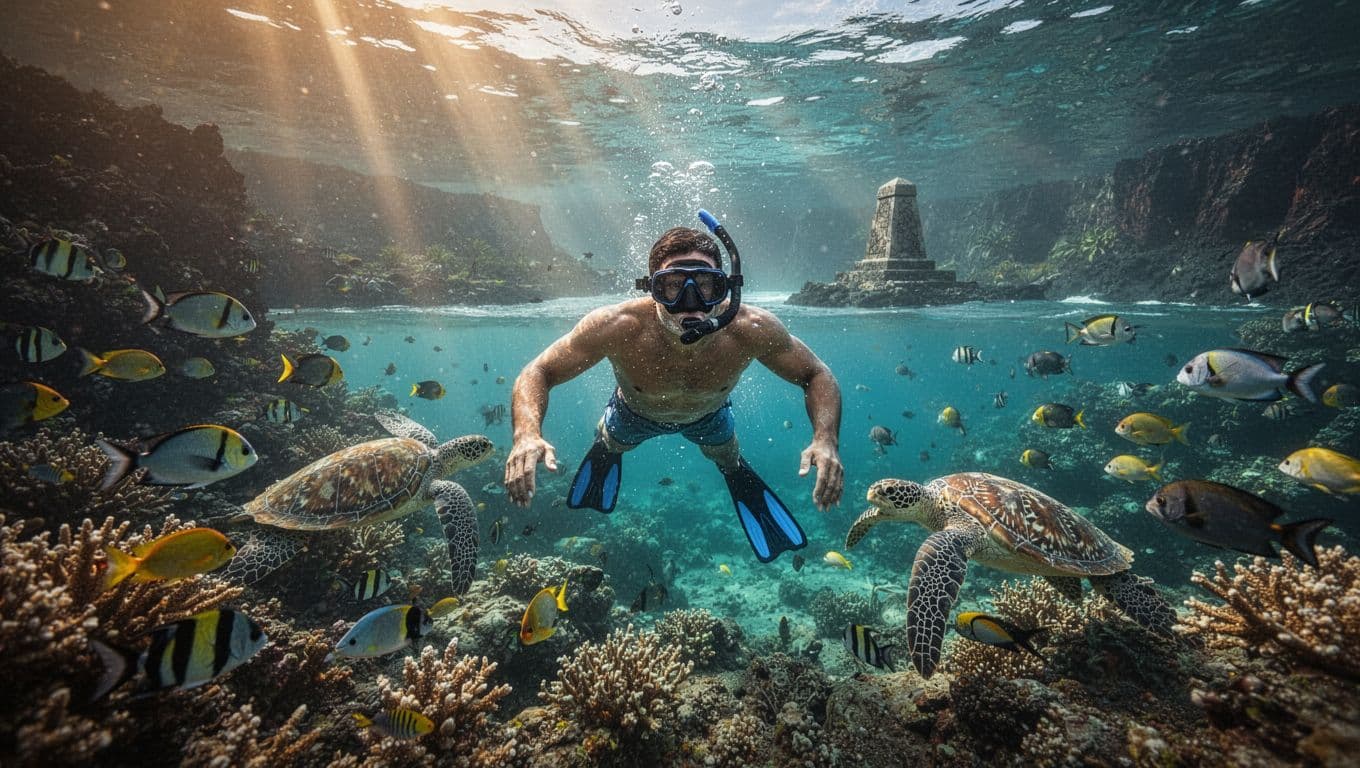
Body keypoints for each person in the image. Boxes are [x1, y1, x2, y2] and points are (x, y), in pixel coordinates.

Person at [504, 214, 843, 563]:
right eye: (673, 284)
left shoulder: (751, 328)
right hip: (633, 412)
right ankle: (608, 448)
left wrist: (825, 439)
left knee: (728, 458)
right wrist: (526, 434)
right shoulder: (618, 325)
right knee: (612, 439)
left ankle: (735, 472)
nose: (691, 300)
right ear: (653, 288)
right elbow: (539, 370)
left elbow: (817, 373)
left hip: (710, 416)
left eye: (706, 285)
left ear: (725, 287)